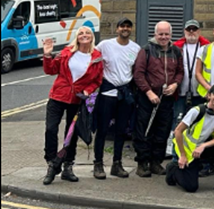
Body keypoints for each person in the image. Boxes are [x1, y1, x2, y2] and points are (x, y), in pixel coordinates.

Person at [41, 27, 104, 185]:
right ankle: (52, 163)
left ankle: (67, 167)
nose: (84, 36)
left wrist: (88, 90)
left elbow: (98, 80)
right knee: (51, 129)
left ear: (91, 37)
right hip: (58, 96)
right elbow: (51, 70)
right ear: (77, 37)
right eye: (81, 33)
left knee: (71, 135)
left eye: (87, 33)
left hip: (77, 100)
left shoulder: (96, 57)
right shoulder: (67, 52)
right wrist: (48, 55)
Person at [134, 21, 185, 178]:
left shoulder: (176, 51)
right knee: (145, 130)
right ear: (155, 34)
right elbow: (138, 73)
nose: (164, 37)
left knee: (162, 131)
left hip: (167, 98)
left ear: (171, 34)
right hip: (148, 97)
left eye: (166, 34)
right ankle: (142, 163)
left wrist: (175, 84)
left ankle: (156, 162)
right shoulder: (146, 50)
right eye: (160, 34)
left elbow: (180, 71)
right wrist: (148, 92)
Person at [93, 18, 141, 179]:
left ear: (131, 29)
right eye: (122, 26)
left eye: (128, 26)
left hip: (125, 94)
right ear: (117, 29)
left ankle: (117, 164)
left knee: (121, 131)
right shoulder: (105, 45)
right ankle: (98, 164)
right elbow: (91, 59)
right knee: (103, 130)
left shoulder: (136, 48)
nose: (125, 29)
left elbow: (137, 71)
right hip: (107, 93)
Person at [166, 84, 214, 193]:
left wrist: (203, 146)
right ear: (209, 96)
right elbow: (177, 131)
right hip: (188, 150)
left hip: (201, 147)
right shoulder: (197, 111)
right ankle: (173, 170)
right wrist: (183, 156)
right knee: (191, 187)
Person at [171, 19, 211, 155]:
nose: (192, 32)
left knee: (199, 123)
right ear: (184, 31)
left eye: (194, 29)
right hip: (180, 91)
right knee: (178, 121)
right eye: (189, 29)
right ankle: (175, 152)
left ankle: (196, 152)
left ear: (199, 31)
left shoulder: (207, 47)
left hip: (200, 92)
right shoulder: (176, 47)